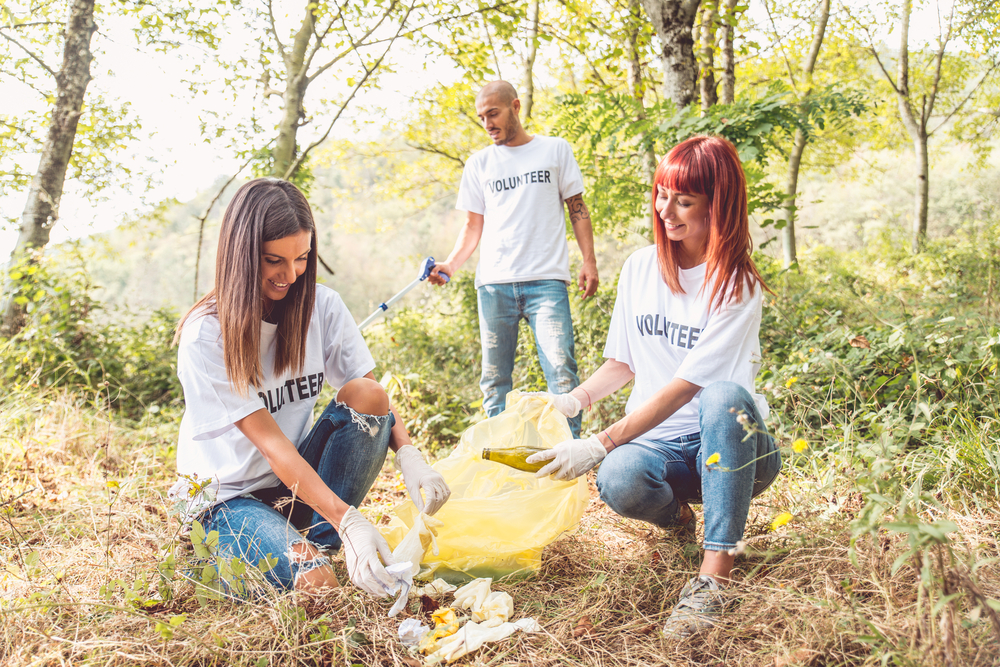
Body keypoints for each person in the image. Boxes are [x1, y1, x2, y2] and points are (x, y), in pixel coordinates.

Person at [526, 135, 782, 637]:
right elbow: (624, 361)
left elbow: (687, 387)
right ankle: (680, 521)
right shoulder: (642, 267)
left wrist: (599, 441)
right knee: (619, 477)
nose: (666, 209)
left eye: (684, 201)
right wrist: (574, 398)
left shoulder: (736, 284)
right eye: (662, 194)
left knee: (725, 397)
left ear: (718, 205)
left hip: (734, 448)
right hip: (664, 448)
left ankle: (715, 576)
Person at [169, 178, 451, 597]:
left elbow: (373, 396)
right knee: (318, 583)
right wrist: (348, 520)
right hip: (229, 499)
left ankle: (307, 541)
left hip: (295, 486)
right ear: (241, 256)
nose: (290, 275)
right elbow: (270, 444)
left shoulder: (323, 306)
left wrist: (409, 455)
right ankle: (243, 552)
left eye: (301, 258)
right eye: (273, 260)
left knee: (367, 397)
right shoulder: (206, 336)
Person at [427, 80, 599, 437]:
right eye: (482, 117)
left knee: (562, 370)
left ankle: (570, 454)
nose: (487, 123)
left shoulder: (555, 150)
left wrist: (589, 261)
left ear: (515, 107)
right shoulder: (479, 164)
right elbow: (473, 226)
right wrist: (451, 264)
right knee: (494, 380)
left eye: (494, 113)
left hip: (547, 281)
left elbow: (577, 208)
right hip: (494, 285)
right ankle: (495, 461)